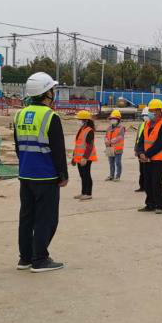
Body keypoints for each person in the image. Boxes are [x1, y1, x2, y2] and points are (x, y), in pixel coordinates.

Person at [14, 72, 67, 271]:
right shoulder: (50, 116)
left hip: (25, 174)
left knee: (26, 217)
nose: (54, 92)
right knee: (46, 218)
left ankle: (25, 258)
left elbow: (18, 147)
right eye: (52, 89)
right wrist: (63, 174)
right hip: (46, 176)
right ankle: (40, 259)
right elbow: (58, 150)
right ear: (47, 93)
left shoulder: (19, 115)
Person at [136, 99, 162, 213]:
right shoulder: (147, 124)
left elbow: (160, 143)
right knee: (147, 183)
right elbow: (141, 141)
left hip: (157, 159)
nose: (150, 112)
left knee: (156, 183)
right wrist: (140, 153)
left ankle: (160, 206)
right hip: (146, 159)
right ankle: (150, 204)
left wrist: (146, 154)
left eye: (152, 110)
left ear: (159, 111)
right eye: (149, 110)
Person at [71, 110, 97, 201]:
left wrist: (85, 158)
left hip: (86, 158)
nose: (78, 121)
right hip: (79, 158)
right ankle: (83, 192)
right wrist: (74, 157)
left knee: (86, 175)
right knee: (82, 175)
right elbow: (77, 144)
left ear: (86, 120)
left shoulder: (89, 131)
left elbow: (90, 146)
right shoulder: (81, 130)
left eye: (80, 120)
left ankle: (88, 193)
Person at [104, 109, 125, 182]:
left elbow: (120, 137)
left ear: (118, 120)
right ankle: (111, 176)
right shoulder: (109, 128)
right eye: (111, 119)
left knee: (118, 162)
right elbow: (106, 136)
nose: (112, 120)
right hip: (109, 148)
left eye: (114, 119)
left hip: (118, 149)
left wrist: (112, 141)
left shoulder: (121, 128)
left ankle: (118, 176)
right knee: (111, 163)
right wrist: (106, 140)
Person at [134, 108, 149, 193]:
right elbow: (138, 138)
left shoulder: (152, 125)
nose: (145, 117)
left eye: (146, 115)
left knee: (147, 170)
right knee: (142, 170)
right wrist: (136, 149)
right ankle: (142, 186)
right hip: (140, 150)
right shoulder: (141, 125)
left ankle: (147, 186)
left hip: (147, 151)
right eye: (144, 115)